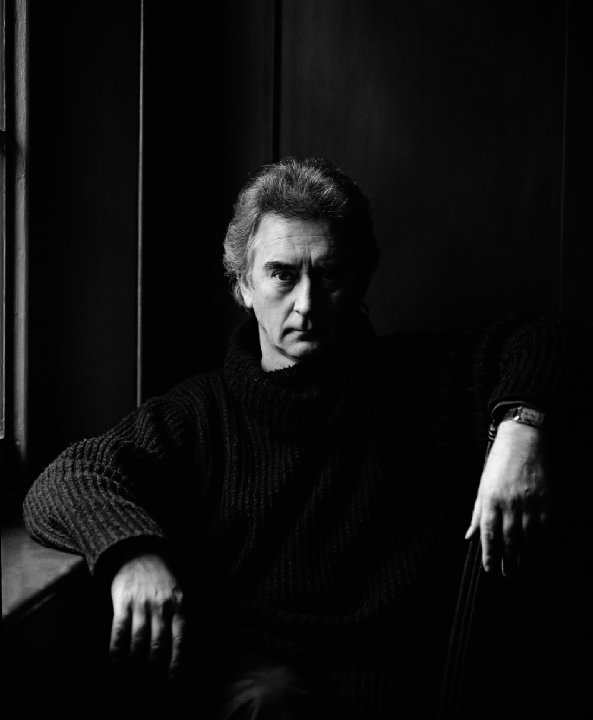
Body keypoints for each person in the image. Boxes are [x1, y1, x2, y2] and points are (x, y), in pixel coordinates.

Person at [23, 157, 589, 719]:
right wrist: (133, 554)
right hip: (267, 691)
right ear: (243, 285)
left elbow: (551, 337)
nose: (308, 304)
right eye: (282, 274)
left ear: (361, 279)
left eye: (331, 274)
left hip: (407, 691)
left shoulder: (423, 381)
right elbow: (69, 478)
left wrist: (520, 431)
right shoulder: (198, 415)